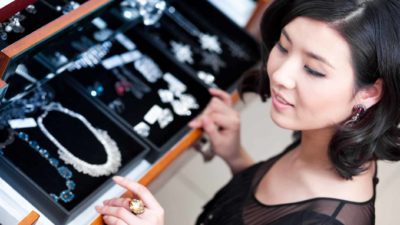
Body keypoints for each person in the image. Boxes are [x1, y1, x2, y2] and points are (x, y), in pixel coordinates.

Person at [95, 0, 400, 224]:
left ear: (370, 91)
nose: (280, 75)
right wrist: (236, 156)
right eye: (283, 46)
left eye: (313, 70)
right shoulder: (335, 140)